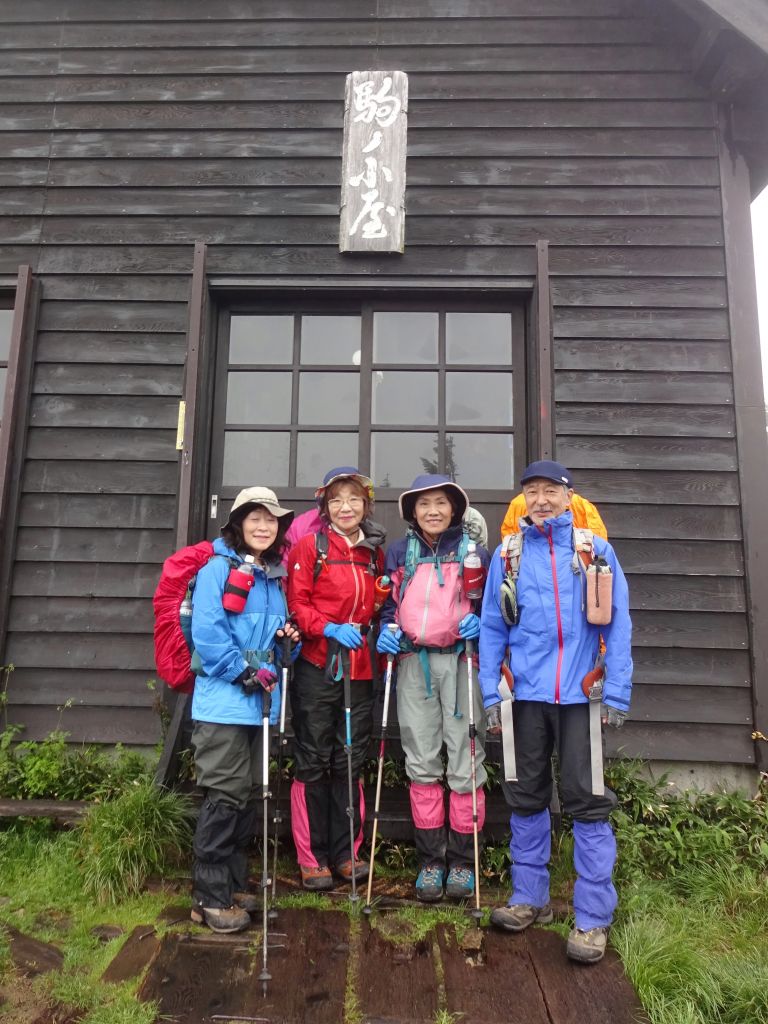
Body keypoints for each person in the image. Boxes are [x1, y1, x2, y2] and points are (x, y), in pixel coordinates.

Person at [479, 460, 632, 964]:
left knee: (586, 801)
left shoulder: (595, 551)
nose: (541, 499)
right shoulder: (508, 555)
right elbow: (492, 629)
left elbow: (619, 625)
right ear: (522, 500)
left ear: (569, 497)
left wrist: (617, 692)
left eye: (550, 491)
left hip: (580, 697)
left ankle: (591, 919)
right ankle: (530, 899)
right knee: (524, 796)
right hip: (523, 695)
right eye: (532, 492)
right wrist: (488, 692)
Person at [189, 486, 301, 933]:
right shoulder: (218, 569)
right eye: (254, 518)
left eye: (271, 520)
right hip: (223, 704)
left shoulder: (271, 576)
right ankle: (208, 897)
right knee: (223, 796)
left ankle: (232, 886)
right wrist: (243, 673)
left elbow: (270, 641)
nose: (262, 526)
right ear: (237, 524)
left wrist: (285, 643)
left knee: (243, 798)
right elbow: (210, 633)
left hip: (258, 704)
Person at [378, 475, 490, 902]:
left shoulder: (475, 552)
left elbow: (489, 606)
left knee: (465, 758)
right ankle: (431, 861)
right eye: (424, 504)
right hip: (412, 662)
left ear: (455, 508)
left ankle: (462, 863)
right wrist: (386, 627)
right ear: (412, 511)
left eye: (441, 502)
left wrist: (480, 621)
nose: (433, 511)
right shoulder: (399, 552)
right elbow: (387, 602)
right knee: (421, 759)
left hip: (461, 660)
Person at [287, 467, 386, 890]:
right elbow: (298, 604)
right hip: (317, 665)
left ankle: (347, 852)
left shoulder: (372, 554)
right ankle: (313, 858)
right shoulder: (311, 548)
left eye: (353, 499)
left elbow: (377, 606)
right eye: (336, 500)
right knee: (313, 757)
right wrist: (327, 628)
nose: (345, 507)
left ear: (366, 505)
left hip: (360, 667)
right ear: (325, 508)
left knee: (350, 757)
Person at [501, 489, 607, 540]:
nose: (541, 502)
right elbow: (509, 544)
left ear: (568, 496)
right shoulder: (519, 504)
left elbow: (597, 544)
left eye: (550, 490)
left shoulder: (580, 505)